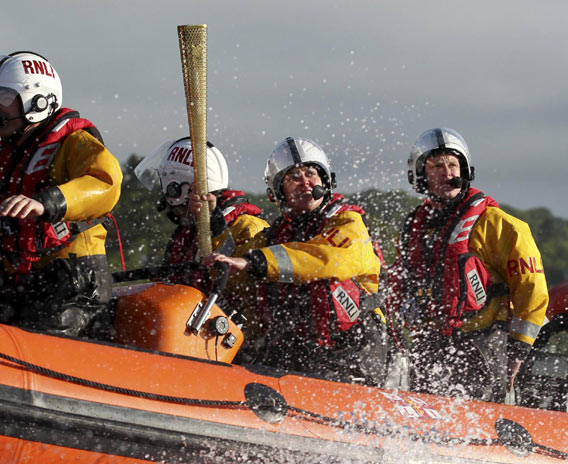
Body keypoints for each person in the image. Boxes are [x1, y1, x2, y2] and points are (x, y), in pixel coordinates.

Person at [202, 137, 387, 385]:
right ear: (278, 192)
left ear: (325, 181)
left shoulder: (348, 222)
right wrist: (214, 222)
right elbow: (234, 268)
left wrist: (254, 262)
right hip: (298, 354)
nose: (305, 183)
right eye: (293, 178)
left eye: (311, 174)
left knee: (315, 279)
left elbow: (327, 258)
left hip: (353, 351)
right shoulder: (275, 236)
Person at [0, 51, 122, 337]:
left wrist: (46, 202)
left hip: (73, 279)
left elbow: (106, 183)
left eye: (2, 98)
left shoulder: (74, 143)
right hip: (20, 281)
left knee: (36, 339)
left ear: (37, 101)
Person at [388, 127, 548, 403]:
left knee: (480, 416)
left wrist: (518, 353)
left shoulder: (498, 224)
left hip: (484, 343)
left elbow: (531, 288)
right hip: (430, 342)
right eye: (436, 166)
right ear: (420, 175)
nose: (447, 173)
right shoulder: (415, 227)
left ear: (465, 170)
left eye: (453, 164)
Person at [135, 136, 269, 299]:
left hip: (227, 322)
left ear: (181, 190)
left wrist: (214, 224)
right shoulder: (188, 233)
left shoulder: (250, 227)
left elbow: (245, 286)